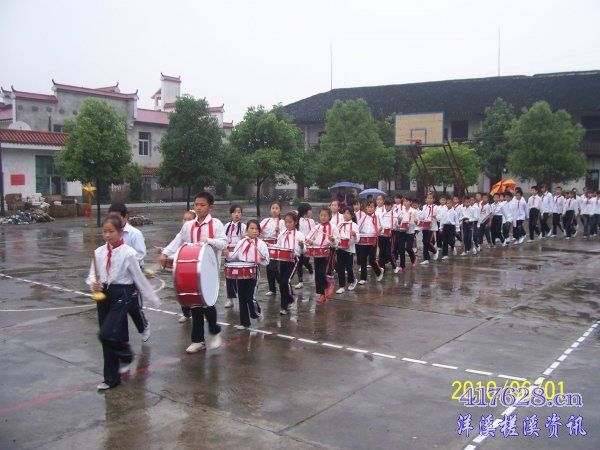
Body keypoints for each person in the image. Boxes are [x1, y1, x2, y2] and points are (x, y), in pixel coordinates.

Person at [87, 215, 160, 390]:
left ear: (120, 232)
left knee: (106, 333)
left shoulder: (128, 253)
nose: (107, 235)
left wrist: (152, 298)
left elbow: (139, 278)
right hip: (104, 293)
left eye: (111, 231)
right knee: (107, 337)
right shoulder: (98, 252)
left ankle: (126, 354)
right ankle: (111, 378)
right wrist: (93, 284)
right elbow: (92, 274)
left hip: (122, 293)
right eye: (105, 231)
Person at [159, 192, 225, 354]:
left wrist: (209, 241)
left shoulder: (216, 224)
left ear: (210, 207)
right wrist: (165, 253)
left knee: (207, 303)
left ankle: (214, 330)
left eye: (202, 205)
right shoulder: (188, 226)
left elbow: (224, 243)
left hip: (210, 270)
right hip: (192, 270)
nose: (199, 207)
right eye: (196, 205)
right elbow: (178, 240)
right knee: (195, 304)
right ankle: (198, 340)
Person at [107, 203, 150, 342]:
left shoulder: (134, 234)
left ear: (125, 217)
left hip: (133, 273)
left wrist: (126, 262)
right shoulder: (110, 233)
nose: (113, 220)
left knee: (133, 306)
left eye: (116, 217)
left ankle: (143, 326)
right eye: (111, 217)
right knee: (118, 307)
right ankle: (122, 340)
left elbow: (141, 254)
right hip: (117, 275)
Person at [226, 220, 269, 329]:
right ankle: (244, 323)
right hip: (241, 271)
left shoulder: (261, 244)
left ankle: (257, 312)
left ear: (259, 231)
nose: (254, 231)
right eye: (252, 228)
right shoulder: (241, 242)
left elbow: (267, 261)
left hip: (253, 271)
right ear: (247, 230)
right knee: (241, 298)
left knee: (250, 298)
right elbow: (234, 256)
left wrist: (262, 258)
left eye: (256, 229)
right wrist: (227, 254)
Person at [306, 207, 339, 303]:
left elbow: (338, 242)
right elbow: (309, 238)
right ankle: (322, 294)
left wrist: (333, 240)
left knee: (321, 273)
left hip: (327, 252)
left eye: (325, 215)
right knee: (317, 274)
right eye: (321, 215)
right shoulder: (317, 227)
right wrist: (307, 242)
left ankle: (329, 285)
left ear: (329, 216)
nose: (323, 217)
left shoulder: (333, 228)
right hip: (317, 253)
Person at [274, 212, 305, 314]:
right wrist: (270, 245)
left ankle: (292, 298)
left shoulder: (299, 235)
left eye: (290, 222)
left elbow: (303, 251)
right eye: (286, 222)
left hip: (293, 260)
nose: (287, 224)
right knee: (282, 284)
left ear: (295, 222)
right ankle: (284, 307)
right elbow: (278, 245)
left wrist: (301, 245)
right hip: (282, 260)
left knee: (286, 281)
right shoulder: (282, 233)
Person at [222, 205, 247, 309]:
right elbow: (222, 239)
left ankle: (242, 297)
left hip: (239, 253)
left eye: (239, 212)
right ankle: (230, 299)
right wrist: (224, 249)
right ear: (231, 214)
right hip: (228, 253)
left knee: (240, 276)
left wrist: (244, 238)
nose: (237, 214)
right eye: (234, 212)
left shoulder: (244, 227)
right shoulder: (226, 226)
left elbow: (247, 240)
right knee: (229, 276)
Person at [260, 202, 284, 297]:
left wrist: (279, 232)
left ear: (280, 210)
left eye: (277, 208)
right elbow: (257, 229)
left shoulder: (282, 222)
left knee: (273, 267)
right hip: (265, 246)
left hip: (276, 245)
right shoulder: (265, 221)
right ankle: (272, 289)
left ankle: (283, 284)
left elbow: (285, 235)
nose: (274, 210)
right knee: (268, 267)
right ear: (270, 210)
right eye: (273, 208)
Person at [356, 200, 383, 282]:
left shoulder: (377, 217)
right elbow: (358, 228)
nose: (370, 209)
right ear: (366, 208)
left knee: (372, 260)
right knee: (363, 259)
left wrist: (379, 229)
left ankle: (379, 272)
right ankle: (363, 278)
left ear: (375, 208)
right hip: (363, 240)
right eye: (368, 207)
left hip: (372, 240)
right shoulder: (363, 218)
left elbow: (380, 227)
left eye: (371, 207)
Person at [335, 207, 359, 293]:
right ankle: (341, 286)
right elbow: (336, 234)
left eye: (348, 213)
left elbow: (357, 240)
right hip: (340, 249)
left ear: (352, 215)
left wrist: (355, 235)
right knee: (340, 268)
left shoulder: (354, 225)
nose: (346, 215)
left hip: (349, 250)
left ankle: (353, 281)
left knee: (349, 267)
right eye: (344, 213)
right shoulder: (340, 224)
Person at [295, 203, 315, 289]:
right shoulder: (298, 220)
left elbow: (313, 232)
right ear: (305, 211)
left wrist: (311, 241)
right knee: (299, 263)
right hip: (299, 244)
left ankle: (311, 271)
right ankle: (300, 281)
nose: (311, 212)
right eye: (310, 210)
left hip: (307, 244)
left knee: (305, 261)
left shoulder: (311, 221)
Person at [395, 197, 418, 270]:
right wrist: (399, 221)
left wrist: (414, 222)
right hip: (402, 231)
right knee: (401, 248)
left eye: (407, 201)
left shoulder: (414, 211)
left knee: (408, 247)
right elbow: (398, 223)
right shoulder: (401, 211)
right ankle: (402, 265)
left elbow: (417, 222)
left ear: (410, 202)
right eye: (404, 202)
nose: (405, 203)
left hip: (410, 231)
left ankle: (414, 258)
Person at [418, 193, 440, 265]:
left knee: (428, 242)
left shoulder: (436, 208)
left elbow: (440, 218)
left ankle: (435, 251)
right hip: (425, 227)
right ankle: (426, 259)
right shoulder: (424, 207)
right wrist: (419, 216)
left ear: (434, 199)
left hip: (432, 227)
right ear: (426, 199)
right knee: (424, 242)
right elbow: (422, 216)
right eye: (428, 198)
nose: (429, 199)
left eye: (431, 198)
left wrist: (435, 216)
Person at [376, 198, 395, 273]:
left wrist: (392, 229)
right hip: (381, 235)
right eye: (386, 206)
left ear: (391, 206)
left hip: (390, 235)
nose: (387, 207)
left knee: (388, 252)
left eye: (389, 206)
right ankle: (381, 267)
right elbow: (379, 223)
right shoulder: (381, 214)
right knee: (381, 251)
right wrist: (380, 228)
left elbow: (396, 225)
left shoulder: (394, 215)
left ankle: (394, 265)